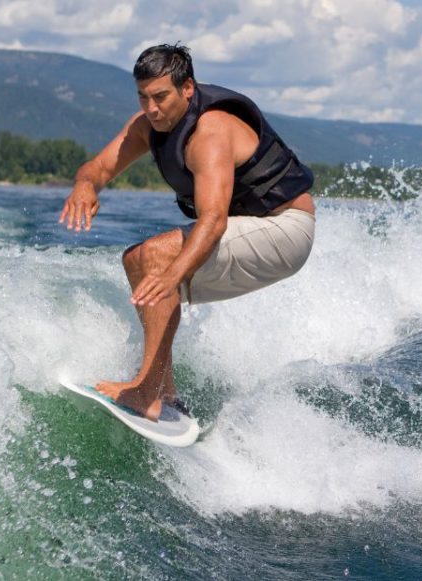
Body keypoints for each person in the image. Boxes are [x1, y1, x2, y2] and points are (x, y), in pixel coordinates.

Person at [58, 43, 316, 421]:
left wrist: (173, 274)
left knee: (158, 256)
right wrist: (85, 185)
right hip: (250, 229)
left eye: (160, 97)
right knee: (135, 258)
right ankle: (165, 390)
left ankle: (146, 392)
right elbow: (97, 167)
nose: (151, 108)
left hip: (286, 230)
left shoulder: (210, 132)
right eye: (143, 97)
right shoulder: (147, 125)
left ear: (188, 89)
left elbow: (213, 221)